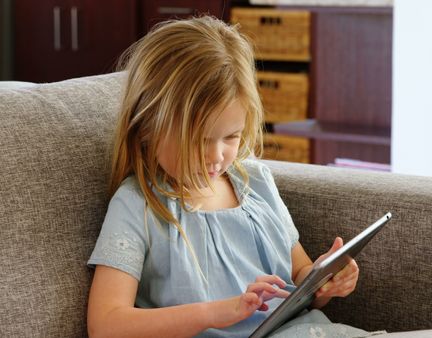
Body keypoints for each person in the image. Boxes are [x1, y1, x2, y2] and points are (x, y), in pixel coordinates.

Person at [87, 16, 374, 337]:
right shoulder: (137, 205)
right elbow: (106, 324)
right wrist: (218, 312)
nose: (217, 156)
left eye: (231, 137)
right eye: (199, 140)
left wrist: (323, 282)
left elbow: (299, 274)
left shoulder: (257, 182)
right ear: (148, 127)